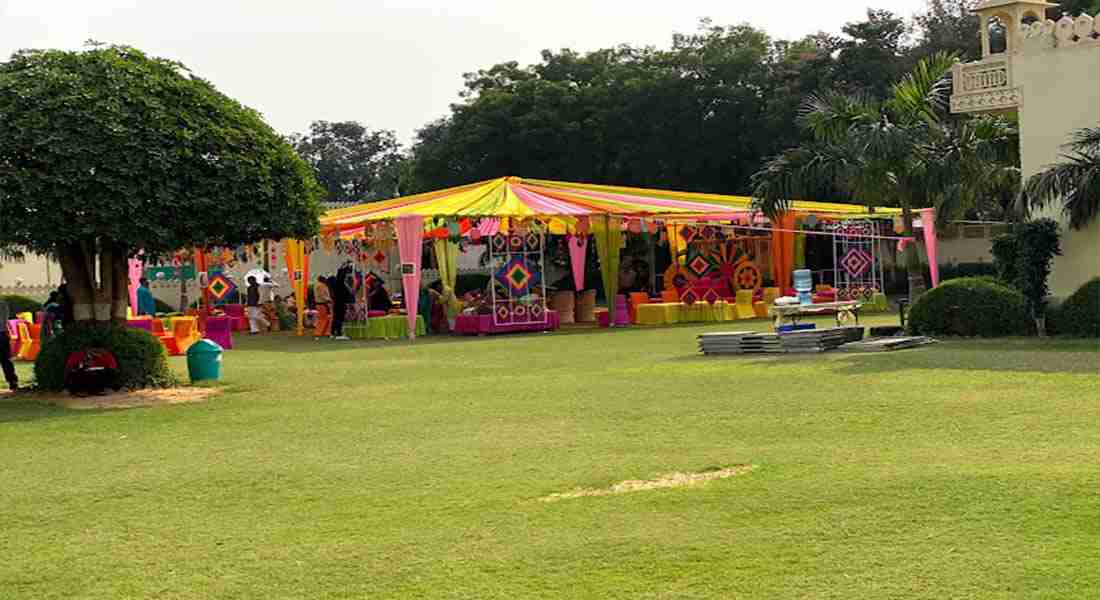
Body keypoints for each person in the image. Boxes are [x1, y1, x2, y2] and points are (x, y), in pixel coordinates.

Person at [330, 264, 354, 341]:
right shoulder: (340, 283)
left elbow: (341, 274)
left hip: (337, 302)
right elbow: (341, 275)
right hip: (341, 303)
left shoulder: (336, 283)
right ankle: (339, 333)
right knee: (340, 318)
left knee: (336, 317)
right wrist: (346, 267)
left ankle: (333, 333)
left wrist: (343, 267)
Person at [0, 297, 18, 391]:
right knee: (6, 359)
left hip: (2, 334)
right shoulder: (3, 304)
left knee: (6, 359)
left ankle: (12, 381)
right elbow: (4, 320)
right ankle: (12, 382)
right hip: (2, 334)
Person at [313, 274, 333, 339]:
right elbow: (323, 295)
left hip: (319, 304)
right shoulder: (322, 286)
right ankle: (325, 333)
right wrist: (330, 300)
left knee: (322, 318)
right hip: (323, 304)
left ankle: (320, 333)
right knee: (327, 318)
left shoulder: (316, 285)